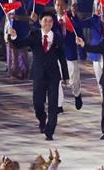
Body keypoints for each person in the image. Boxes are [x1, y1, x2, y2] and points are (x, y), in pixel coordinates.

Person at [6, 11, 70, 140]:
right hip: (38, 74)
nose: (48, 23)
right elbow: (19, 44)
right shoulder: (34, 35)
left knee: (53, 104)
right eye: (45, 20)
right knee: (38, 104)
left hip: (53, 75)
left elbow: (62, 58)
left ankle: (50, 131)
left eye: (50, 21)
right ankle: (42, 119)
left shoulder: (57, 38)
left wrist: (66, 76)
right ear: (40, 22)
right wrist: (12, 36)